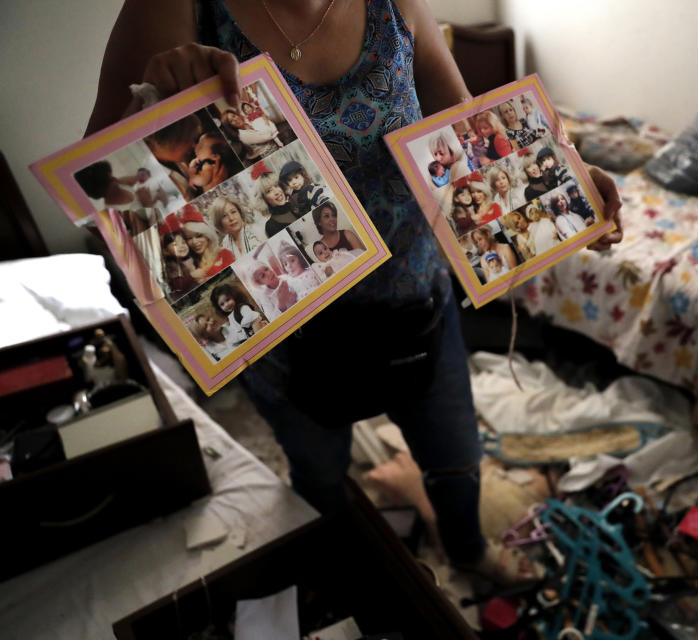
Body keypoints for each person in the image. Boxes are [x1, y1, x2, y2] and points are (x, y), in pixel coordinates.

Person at [87, 0, 622, 584]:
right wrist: (150, 115)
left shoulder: (394, 4)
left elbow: (464, 137)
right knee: (318, 470)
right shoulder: (177, 8)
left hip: (416, 295)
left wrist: (569, 179)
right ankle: (347, 572)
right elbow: (101, 183)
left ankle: (465, 551)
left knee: (456, 456)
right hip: (287, 326)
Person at [180, 204, 235, 281]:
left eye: (199, 236)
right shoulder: (191, 265)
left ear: (207, 236)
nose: (194, 242)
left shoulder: (224, 254)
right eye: (189, 238)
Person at [210, 282, 267, 347]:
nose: (226, 305)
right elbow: (239, 334)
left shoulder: (242, 308)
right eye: (222, 304)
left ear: (234, 296)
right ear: (219, 308)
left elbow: (255, 321)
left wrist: (260, 340)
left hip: (261, 338)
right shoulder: (230, 317)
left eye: (228, 299)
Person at [161, 228, 198, 299]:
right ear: (166, 251)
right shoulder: (171, 266)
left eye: (183, 242)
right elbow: (177, 285)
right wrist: (192, 276)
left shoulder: (191, 259)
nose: (181, 246)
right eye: (175, 244)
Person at [258, 171, 297, 237]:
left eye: (276, 186)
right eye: (269, 191)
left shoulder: (296, 205)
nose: (276, 192)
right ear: (264, 199)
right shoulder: (271, 226)